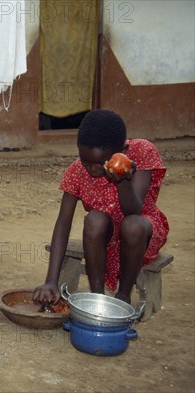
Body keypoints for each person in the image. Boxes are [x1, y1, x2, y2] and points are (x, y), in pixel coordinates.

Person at [33, 110, 169, 306]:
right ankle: (97, 298)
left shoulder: (141, 153)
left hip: (140, 234)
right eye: (86, 161)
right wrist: (51, 280)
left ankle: (123, 296)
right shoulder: (76, 172)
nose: (92, 168)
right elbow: (63, 223)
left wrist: (122, 181)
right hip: (105, 238)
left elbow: (134, 211)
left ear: (122, 150)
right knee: (94, 219)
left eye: (100, 163)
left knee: (132, 225)